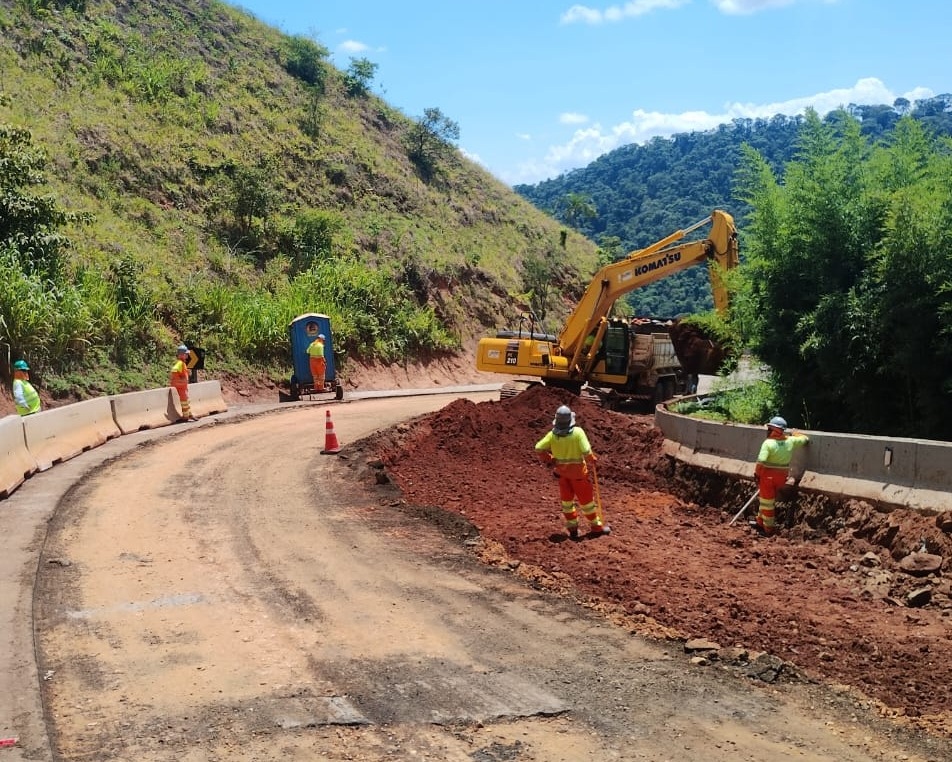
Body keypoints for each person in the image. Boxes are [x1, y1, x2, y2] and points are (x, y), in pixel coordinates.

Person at [535, 404, 610, 540]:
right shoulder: (578, 433)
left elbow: (538, 448)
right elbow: (587, 451)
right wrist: (592, 459)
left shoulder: (552, 435)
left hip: (563, 476)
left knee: (567, 504)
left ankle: (573, 529)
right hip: (579, 476)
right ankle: (596, 528)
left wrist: (550, 458)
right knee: (587, 504)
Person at [753, 416, 809, 536]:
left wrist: (757, 474)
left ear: (775, 430)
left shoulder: (768, 443)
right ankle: (759, 522)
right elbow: (805, 439)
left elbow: (761, 461)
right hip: (782, 478)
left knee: (767, 503)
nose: (767, 431)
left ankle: (768, 529)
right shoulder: (790, 441)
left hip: (767, 478)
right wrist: (796, 433)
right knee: (764, 500)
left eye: (769, 429)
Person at [169, 345, 197, 422]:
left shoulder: (182, 363)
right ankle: (186, 416)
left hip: (183, 386)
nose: (187, 355)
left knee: (185, 400)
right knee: (184, 400)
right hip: (181, 386)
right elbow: (174, 370)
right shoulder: (180, 363)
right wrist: (181, 379)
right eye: (186, 354)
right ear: (181, 355)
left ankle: (189, 414)